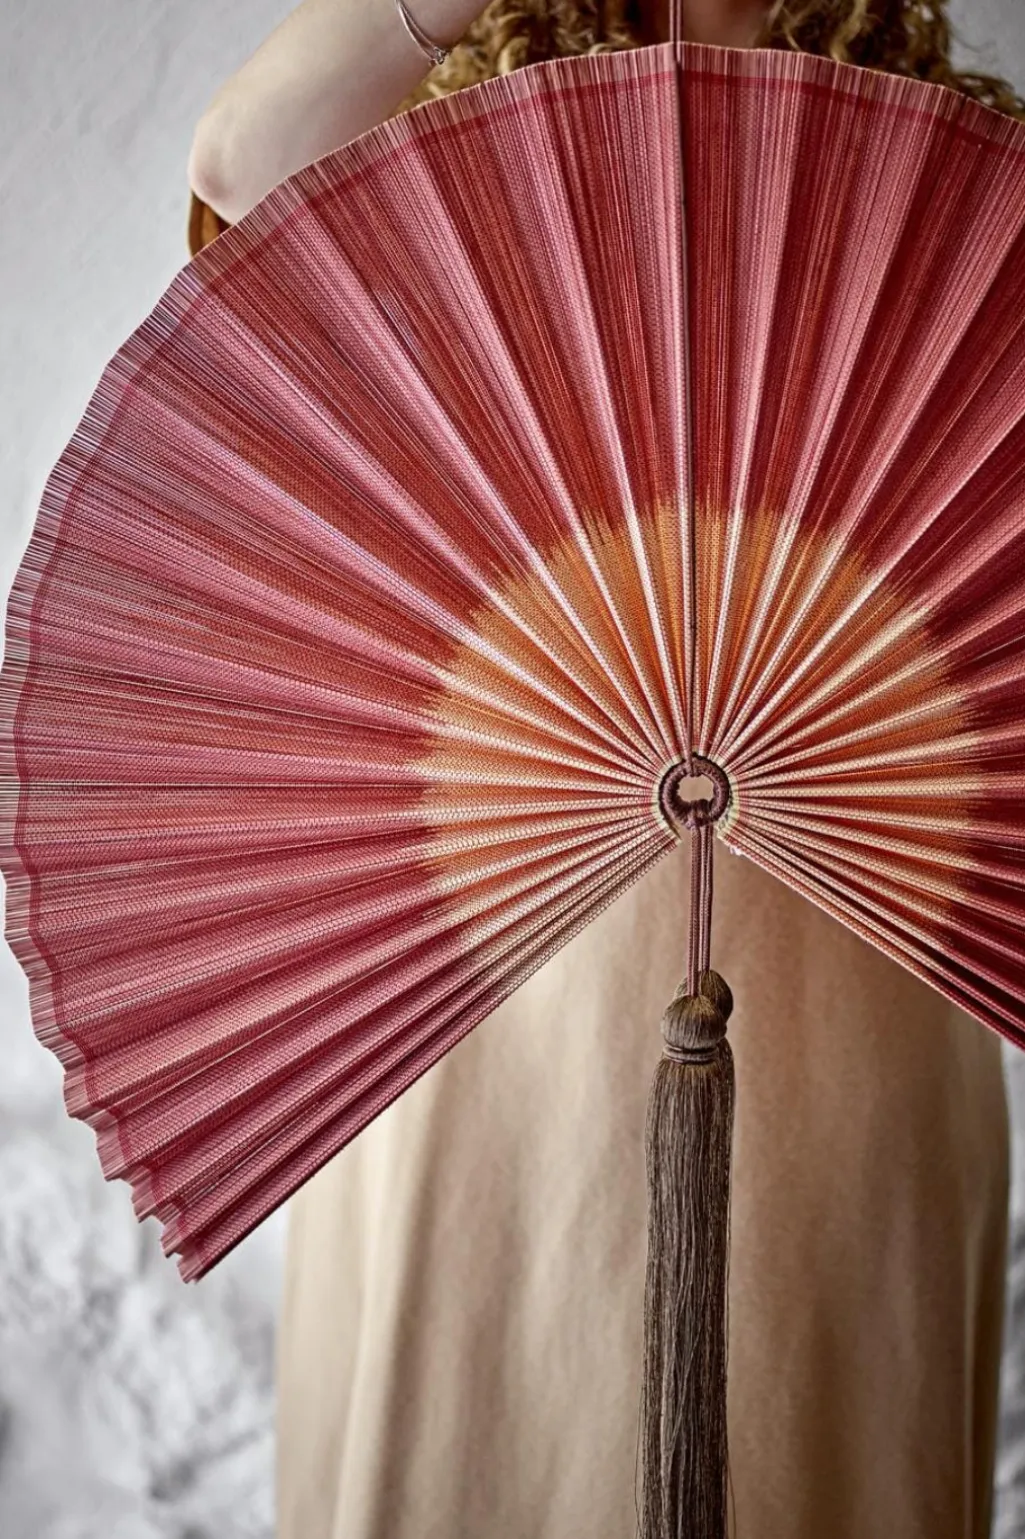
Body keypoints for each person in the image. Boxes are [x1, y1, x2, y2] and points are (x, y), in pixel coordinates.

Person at [187, 4, 1023, 1536]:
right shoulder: (453, 136)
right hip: (506, 935)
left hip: (853, 934)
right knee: (478, 1414)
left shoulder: (950, 163)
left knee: (815, 1431)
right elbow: (245, 160)